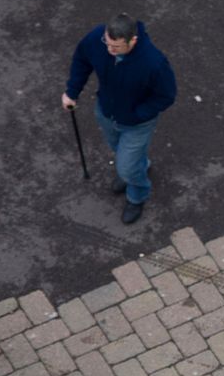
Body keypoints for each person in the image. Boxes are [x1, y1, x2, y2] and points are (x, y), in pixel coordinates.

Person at [62, 14, 177, 225]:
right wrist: (72, 92)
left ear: (132, 40)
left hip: (137, 124)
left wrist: (137, 114)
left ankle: (137, 195)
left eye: (116, 47)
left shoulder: (154, 63)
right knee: (119, 150)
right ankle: (137, 168)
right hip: (106, 112)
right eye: (107, 42)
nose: (109, 50)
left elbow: (166, 95)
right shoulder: (98, 38)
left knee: (125, 167)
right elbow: (82, 58)